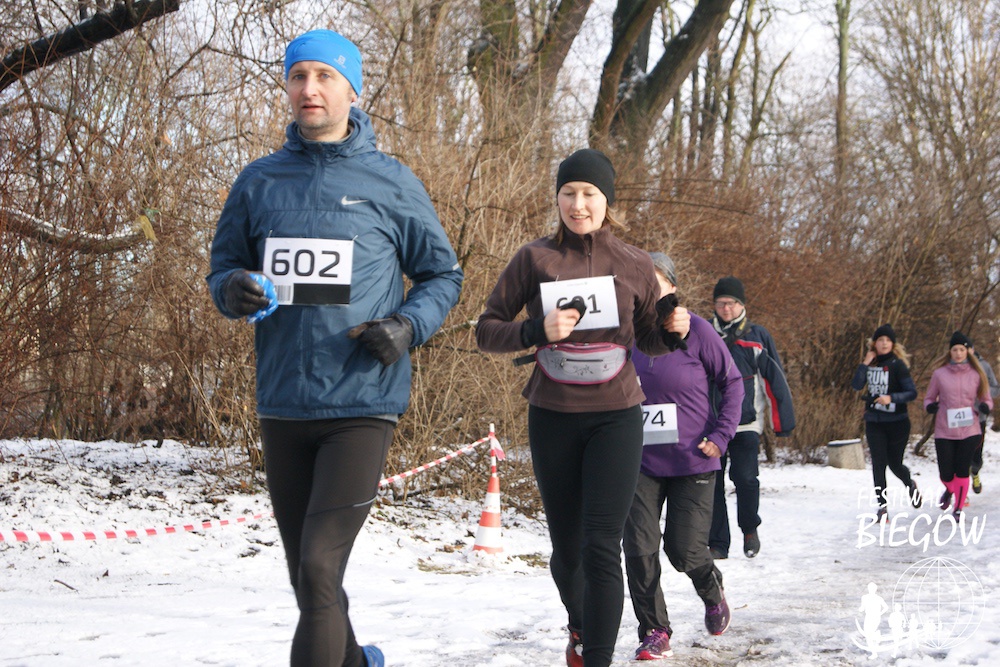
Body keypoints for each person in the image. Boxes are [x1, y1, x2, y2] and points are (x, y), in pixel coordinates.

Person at [206, 29, 463, 667]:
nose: (309, 89)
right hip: (284, 401)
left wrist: (407, 326)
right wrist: (233, 289)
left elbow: (442, 275)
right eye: (298, 76)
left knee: (320, 565)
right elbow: (222, 272)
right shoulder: (259, 181)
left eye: (325, 76)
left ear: (353, 90)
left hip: (360, 401)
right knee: (309, 579)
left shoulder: (390, 181)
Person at [475, 149, 691, 667]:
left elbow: (648, 340)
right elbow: (486, 330)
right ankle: (579, 623)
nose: (578, 204)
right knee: (568, 552)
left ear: (607, 201)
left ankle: (598, 657)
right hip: (552, 415)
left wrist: (672, 332)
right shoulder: (534, 259)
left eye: (589, 194)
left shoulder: (634, 263)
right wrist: (535, 329)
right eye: (568, 193)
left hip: (616, 416)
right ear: (557, 199)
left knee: (601, 546)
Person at [622, 253, 744, 661]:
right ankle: (654, 630)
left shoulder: (698, 330)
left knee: (684, 550)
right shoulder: (625, 333)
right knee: (639, 548)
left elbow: (732, 383)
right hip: (639, 461)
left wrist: (721, 435)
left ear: (672, 288)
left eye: (655, 283)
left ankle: (712, 590)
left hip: (694, 458)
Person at [708, 277, 795, 560]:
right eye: (721, 303)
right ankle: (717, 542)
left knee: (745, 478)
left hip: (746, 422)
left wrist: (782, 422)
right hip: (711, 424)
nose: (726, 308)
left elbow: (774, 380)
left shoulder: (757, 336)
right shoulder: (704, 334)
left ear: (742, 305)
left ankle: (749, 530)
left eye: (732, 303)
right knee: (712, 483)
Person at [850, 324, 921, 521]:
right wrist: (865, 363)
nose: (884, 343)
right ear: (874, 343)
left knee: (895, 464)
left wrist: (891, 398)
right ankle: (882, 508)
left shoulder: (898, 365)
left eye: (888, 340)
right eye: (880, 340)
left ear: (893, 344)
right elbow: (856, 385)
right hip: (874, 421)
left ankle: (910, 484)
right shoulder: (870, 365)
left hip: (898, 422)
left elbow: (911, 393)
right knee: (878, 464)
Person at [923, 331, 993, 520]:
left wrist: (986, 406)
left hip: (969, 429)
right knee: (946, 474)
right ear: (950, 352)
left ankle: (958, 508)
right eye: (955, 349)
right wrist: (930, 406)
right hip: (945, 429)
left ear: (967, 351)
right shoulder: (940, 374)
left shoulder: (976, 374)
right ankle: (950, 489)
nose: (958, 353)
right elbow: (929, 397)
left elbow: (986, 398)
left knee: (962, 471)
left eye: (962, 349)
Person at [966, 339, 1000, 493]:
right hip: (956, 419)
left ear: (972, 350)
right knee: (959, 455)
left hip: (978, 416)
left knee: (976, 453)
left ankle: (975, 472)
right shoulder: (950, 368)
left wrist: (982, 393)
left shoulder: (984, 366)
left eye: (966, 349)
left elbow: (995, 389)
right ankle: (961, 489)